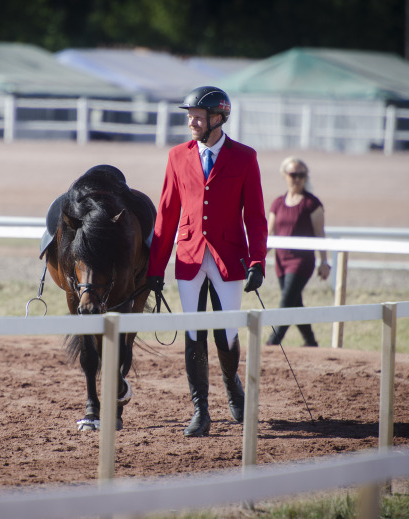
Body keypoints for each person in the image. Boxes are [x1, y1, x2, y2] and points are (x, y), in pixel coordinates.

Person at [145, 86, 268, 437]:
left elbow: (256, 217)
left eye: (197, 116)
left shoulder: (245, 157)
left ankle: (232, 384)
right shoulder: (177, 156)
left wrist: (257, 261)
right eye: (190, 115)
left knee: (226, 333)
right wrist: (156, 268)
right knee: (193, 333)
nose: (191, 121)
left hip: (229, 257)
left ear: (218, 118)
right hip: (189, 255)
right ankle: (201, 410)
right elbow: (167, 214)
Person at [266, 157, 330, 347]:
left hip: (301, 262)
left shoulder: (312, 204)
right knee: (295, 301)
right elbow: (270, 234)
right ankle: (310, 341)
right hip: (281, 261)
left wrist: (324, 262)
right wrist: (257, 258)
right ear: (285, 176)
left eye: (301, 175)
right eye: (293, 175)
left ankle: (272, 343)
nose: (297, 179)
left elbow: (320, 234)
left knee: (286, 301)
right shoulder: (277, 203)